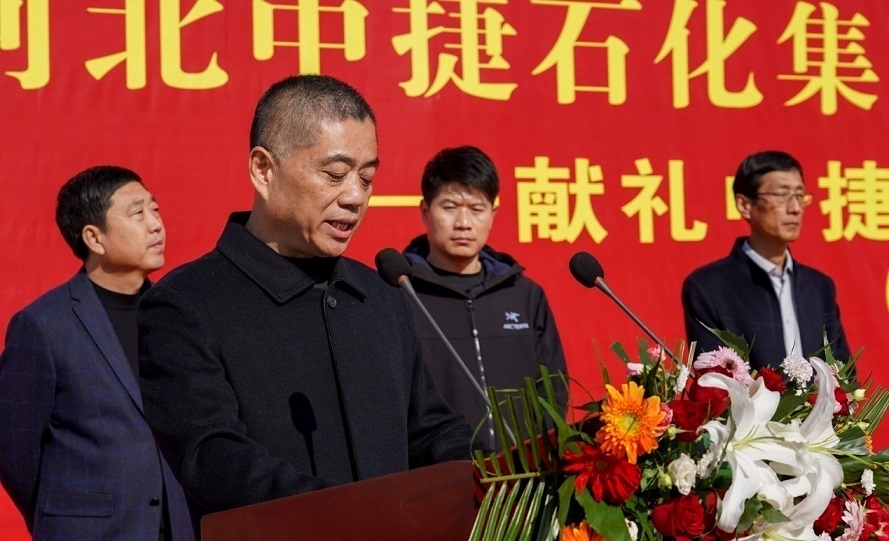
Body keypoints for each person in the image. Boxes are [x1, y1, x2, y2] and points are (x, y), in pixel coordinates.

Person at [136, 75, 480, 529]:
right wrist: (356, 516)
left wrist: (507, 471)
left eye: (367, 178)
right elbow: (212, 457)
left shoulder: (380, 294)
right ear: (264, 169)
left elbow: (429, 431)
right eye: (335, 175)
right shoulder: (185, 305)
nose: (355, 196)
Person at [0, 166, 193, 540]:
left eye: (155, 210)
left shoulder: (177, 315)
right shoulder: (43, 325)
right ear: (94, 237)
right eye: (138, 213)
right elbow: (13, 449)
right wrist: (65, 514)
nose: (156, 225)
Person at [402, 146, 568, 449]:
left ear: (492, 214)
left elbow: (553, 389)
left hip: (523, 471)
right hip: (441, 472)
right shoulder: (400, 296)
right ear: (425, 211)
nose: (464, 223)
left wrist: (537, 457)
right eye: (450, 207)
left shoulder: (525, 295)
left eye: (477, 209)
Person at [682, 150, 850, 369]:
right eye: (781, 195)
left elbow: (842, 371)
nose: (795, 208)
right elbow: (714, 378)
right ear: (745, 205)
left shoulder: (819, 287)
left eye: (799, 196)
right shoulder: (709, 288)